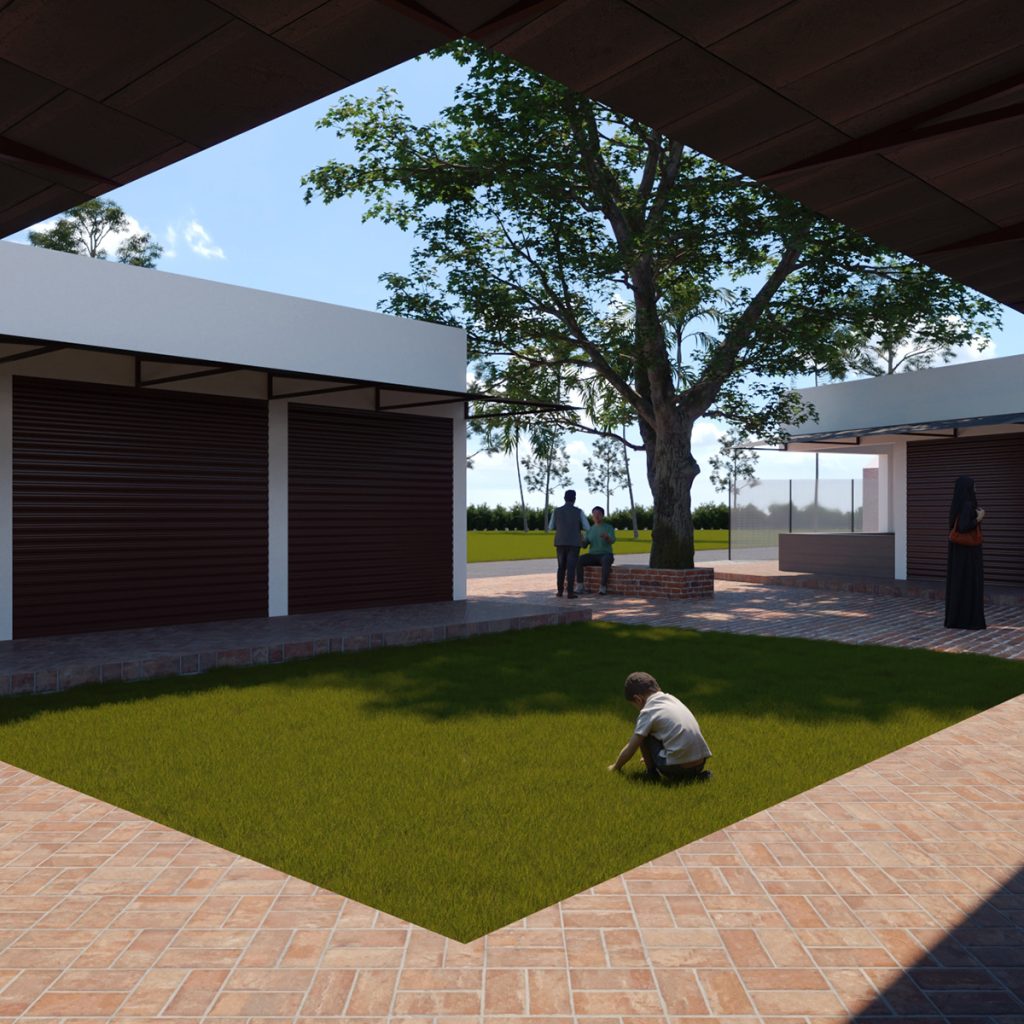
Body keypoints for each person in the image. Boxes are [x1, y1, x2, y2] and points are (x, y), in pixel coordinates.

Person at [608, 671, 712, 782]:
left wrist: (616, 766)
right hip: (701, 761)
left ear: (638, 699)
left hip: (676, 767)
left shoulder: (648, 711)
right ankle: (697, 776)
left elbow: (631, 747)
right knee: (660, 730)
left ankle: (652, 774)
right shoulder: (672, 699)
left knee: (643, 735)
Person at [945, 475, 986, 630]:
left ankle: (957, 619)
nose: (976, 488)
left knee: (960, 583)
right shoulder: (968, 504)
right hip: (968, 553)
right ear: (968, 488)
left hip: (959, 552)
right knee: (970, 583)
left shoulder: (957, 504)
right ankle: (968, 620)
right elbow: (963, 527)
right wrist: (979, 518)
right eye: (974, 485)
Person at [548, 489, 589, 598]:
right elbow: (587, 527)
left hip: (560, 542)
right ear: (574, 499)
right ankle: (570, 592)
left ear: (564, 498)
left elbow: (551, 526)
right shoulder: (579, 512)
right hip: (574, 543)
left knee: (561, 567)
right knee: (571, 568)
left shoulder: (556, 511)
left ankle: (560, 591)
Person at [576, 505, 616, 594]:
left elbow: (612, 541)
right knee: (578, 560)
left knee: (606, 560)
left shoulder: (608, 527)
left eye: (599, 514)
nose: (596, 516)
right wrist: (581, 540)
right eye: (594, 514)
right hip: (593, 555)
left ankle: (603, 587)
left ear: (603, 515)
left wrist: (607, 537)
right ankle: (580, 586)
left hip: (605, 554)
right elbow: (584, 546)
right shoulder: (590, 529)